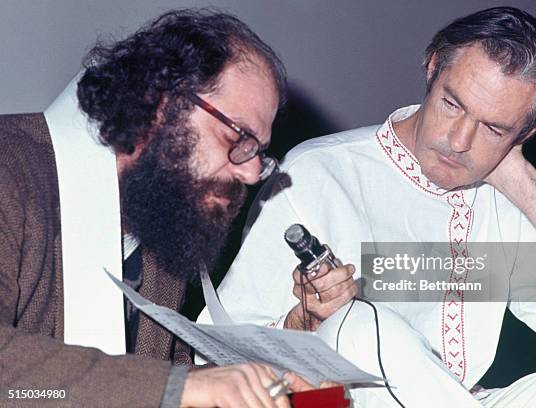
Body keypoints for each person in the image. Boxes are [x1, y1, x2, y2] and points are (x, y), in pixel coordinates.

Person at [197, 7, 536, 407]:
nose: (460, 141)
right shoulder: (317, 173)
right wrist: (302, 321)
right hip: (341, 400)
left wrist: (521, 180)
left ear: (530, 129)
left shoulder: (500, 196)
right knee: (359, 326)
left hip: (468, 399)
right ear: (432, 67)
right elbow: (219, 350)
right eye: (453, 105)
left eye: (493, 127)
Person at [0, 8, 310, 408]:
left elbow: (147, 372)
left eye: (258, 152)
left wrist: (253, 384)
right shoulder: (9, 169)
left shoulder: (163, 217)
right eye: (238, 137)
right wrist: (183, 388)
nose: (253, 174)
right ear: (158, 102)